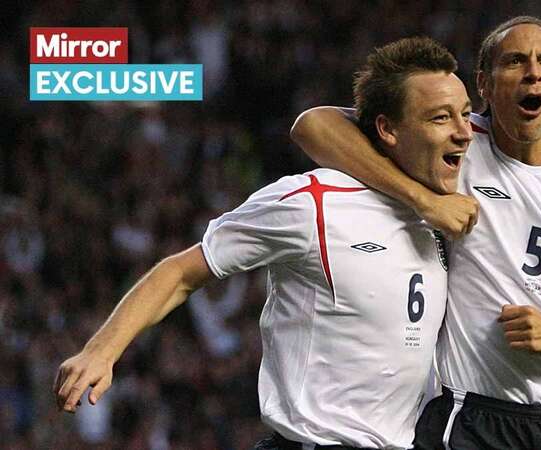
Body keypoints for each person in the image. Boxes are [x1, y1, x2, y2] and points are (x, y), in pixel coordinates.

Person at [54, 36, 467, 450]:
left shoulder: (448, 204)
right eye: (440, 118)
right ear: (387, 129)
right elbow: (181, 271)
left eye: (466, 116)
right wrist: (101, 351)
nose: (465, 133)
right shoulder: (313, 201)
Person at [290, 16, 541, 449]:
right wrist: (423, 199)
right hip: (469, 416)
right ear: (483, 84)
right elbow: (312, 127)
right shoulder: (455, 145)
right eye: (515, 61)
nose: (533, 72)